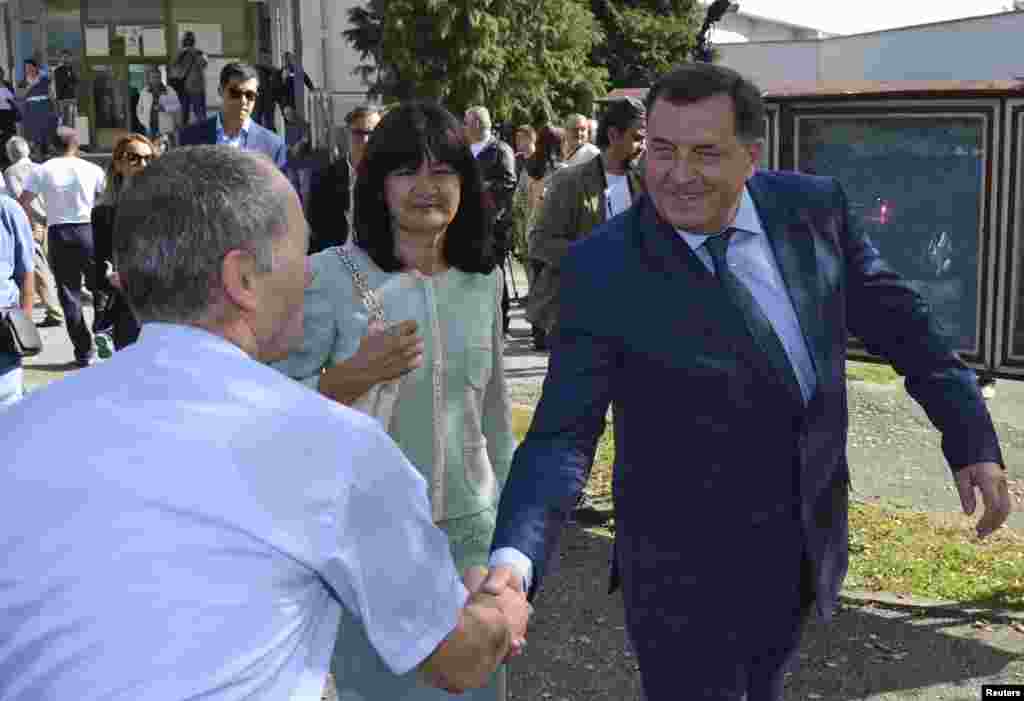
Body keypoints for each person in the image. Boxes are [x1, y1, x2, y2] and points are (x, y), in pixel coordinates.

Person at [482, 63, 1013, 700]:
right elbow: (561, 436)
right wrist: (514, 561)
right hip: (680, 571)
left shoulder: (814, 212)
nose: (679, 174)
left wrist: (970, 435)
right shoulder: (605, 266)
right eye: (663, 149)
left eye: (705, 152)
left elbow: (907, 329)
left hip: (801, 544)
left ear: (750, 157)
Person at [0, 145, 529, 698]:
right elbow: (457, 661)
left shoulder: (19, 433)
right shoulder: (335, 450)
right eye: (303, 252)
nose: (311, 274)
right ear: (243, 279)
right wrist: (504, 603)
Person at [271, 100, 517, 701]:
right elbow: (266, 408)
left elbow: (493, 414)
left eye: (444, 171)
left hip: (468, 535)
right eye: (407, 171)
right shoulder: (327, 277)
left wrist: (510, 542)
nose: (426, 188)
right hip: (366, 541)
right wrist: (350, 377)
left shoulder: (481, 279)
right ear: (378, 185)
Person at [527, 97, 645, 359]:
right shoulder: (570, 181)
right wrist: (594, 254)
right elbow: (539, 243)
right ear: (614, 135)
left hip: (634, 322)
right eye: (637, 138)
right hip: (579, 322)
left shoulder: (645, 185)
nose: (643, 146)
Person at [18, 128, 106, 367]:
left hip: (59, 231)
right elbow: (104, 198)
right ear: (77, 145)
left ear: (52, 145)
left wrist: (42, 218)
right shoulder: (92, 169)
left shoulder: (42, 169)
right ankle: (102, 333)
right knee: (100, 286)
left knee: (69, 292)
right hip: (88, 229)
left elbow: (23, 201)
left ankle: (83, 350)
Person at [91, 134, 156, 356]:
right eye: (134, 158)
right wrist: (110, 277)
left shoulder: (168, 207)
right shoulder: (103, 213)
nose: (143, 164)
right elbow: (99, 263)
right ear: (118, 164)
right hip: (124, 305)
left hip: (163, 304)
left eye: (149, 158)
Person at [509, 124, 564, 351]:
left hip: (532, 234)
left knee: (535, 287)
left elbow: (517, 202)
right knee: (554, 287)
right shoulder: (564, 171)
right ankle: (552, 332)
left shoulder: (528, 168)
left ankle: (537, 334)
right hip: (556, 235)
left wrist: (522, 233)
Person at [177, 62, 287, 171]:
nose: (243, 101)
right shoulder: (189, 139)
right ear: (220, 91)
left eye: (250, 95)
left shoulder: (273, 146)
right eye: (236, 93)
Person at [465, 105, 517, 334]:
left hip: (493, 226)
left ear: (476, 124)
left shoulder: (500, 150)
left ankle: (500, 321)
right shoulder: (465, 150)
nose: (463, 127)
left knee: (495, 273)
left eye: (466, 123)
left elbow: (507, 184)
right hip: (468, 223)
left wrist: (481, 190)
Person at [5, 136, 63, 327]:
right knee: (49, 267)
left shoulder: (11, 171)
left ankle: (55, 311)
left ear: (10, 153)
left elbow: (18, 198)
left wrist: (33, 222)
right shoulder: (40, 167)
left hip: (31, 223)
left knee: (38, 269)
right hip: (51, 220)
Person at [307, 104, 381, 253]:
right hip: (335, 260)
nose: (366, 140)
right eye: (359, 132)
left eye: (372, 133)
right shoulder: (324, 178)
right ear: (348, 133)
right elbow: (316, 230)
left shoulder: (389, 179)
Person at [0, 190, 33, 406]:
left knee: (8, 404)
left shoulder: (7, 209)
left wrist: (24, 325)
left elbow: (27, 272)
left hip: (2, 328)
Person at [17, 58, 56, 158]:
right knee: (33, 131)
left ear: (35, 67)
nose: (28, 69)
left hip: (44, 106)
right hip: (31, 108)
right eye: (26, 67)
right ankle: (35, 153)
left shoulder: (44, 79)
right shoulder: (23, 81)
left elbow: (51, 94)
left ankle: (48, 151)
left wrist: (53, 107)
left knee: (46, 129)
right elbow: (21, 96)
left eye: (30, 67)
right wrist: (31, 85)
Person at [171, 31, 208, 125]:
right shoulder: (184, 53)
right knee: (192, 114)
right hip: (190, 88)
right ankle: (201, 135)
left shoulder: (196, 53)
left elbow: (203, 64)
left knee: (192, 115)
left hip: (190, 87)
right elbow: (174, 66)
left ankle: (197, 134)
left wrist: (191, 53)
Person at [136, 66, 181, 140]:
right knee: (151, 149)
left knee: (169, 149)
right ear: (150, 79)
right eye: (153, 77)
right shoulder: (144, 92)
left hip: (166, 128)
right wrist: (144, 121)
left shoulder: (169, 90)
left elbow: (177, 106)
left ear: (160, 78)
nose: (155, 79)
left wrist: (165, 108)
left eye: (157, 77)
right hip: (150, 128)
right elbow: (139, 109)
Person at [53, 49, 79, 128]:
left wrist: (70, 75)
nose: (65, 59)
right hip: (62, 99)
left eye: (67, 57)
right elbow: (60, 84)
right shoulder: (58, 70)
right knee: (64, 119)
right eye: (64, 57)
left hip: (72, 98)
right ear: (61, 58)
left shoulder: (72, 69)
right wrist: (58, 100)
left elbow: (76, 81)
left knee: (73, 119)